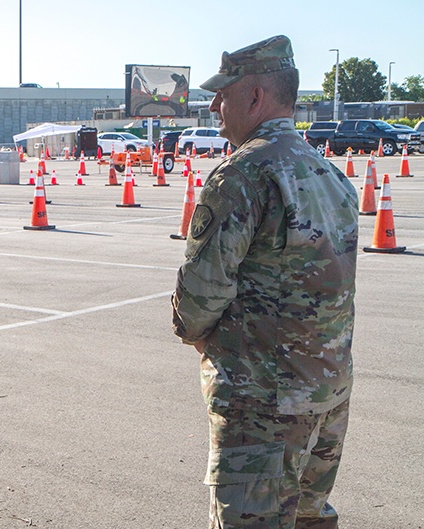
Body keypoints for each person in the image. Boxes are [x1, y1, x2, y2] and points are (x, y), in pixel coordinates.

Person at [171, 36, 358, 529]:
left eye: (223, 94)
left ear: (254, 97)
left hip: (262, 402)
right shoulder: (330, 174)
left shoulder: (243, 173)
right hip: (327, 391)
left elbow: (201, 294)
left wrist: (192, 332)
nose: (214, 106)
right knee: (309, 518)